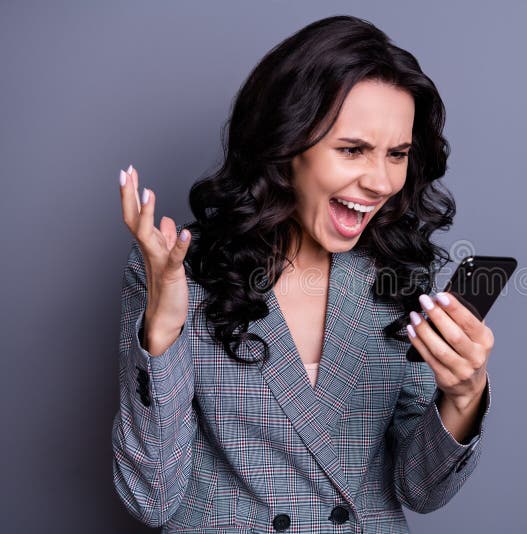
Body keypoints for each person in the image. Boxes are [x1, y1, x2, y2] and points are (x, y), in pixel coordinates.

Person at [112, 15, 493, 534]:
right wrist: (164, 328)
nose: (380, 181)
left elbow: (420, 490)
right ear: (285, 146)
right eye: (352, 150)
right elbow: (151, 498)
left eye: (397, 154)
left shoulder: (402, 273)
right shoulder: (183, 269)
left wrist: (464, 398)